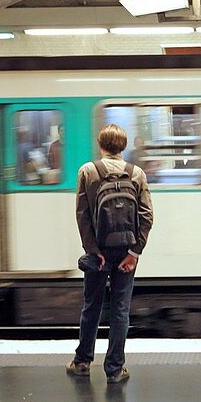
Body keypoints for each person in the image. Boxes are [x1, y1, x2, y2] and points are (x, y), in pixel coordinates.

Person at [67, 124, 154, 384]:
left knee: (91, 305)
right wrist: (135, 252)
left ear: (101, 145)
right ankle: (115, 369)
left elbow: (82, 216)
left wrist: (93, 251)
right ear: (123, 146)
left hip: (99, 251)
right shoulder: (136, 173)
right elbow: (146, 216)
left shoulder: (87, 171)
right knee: (120, 309)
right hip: (126, 251)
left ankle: (82, 361)